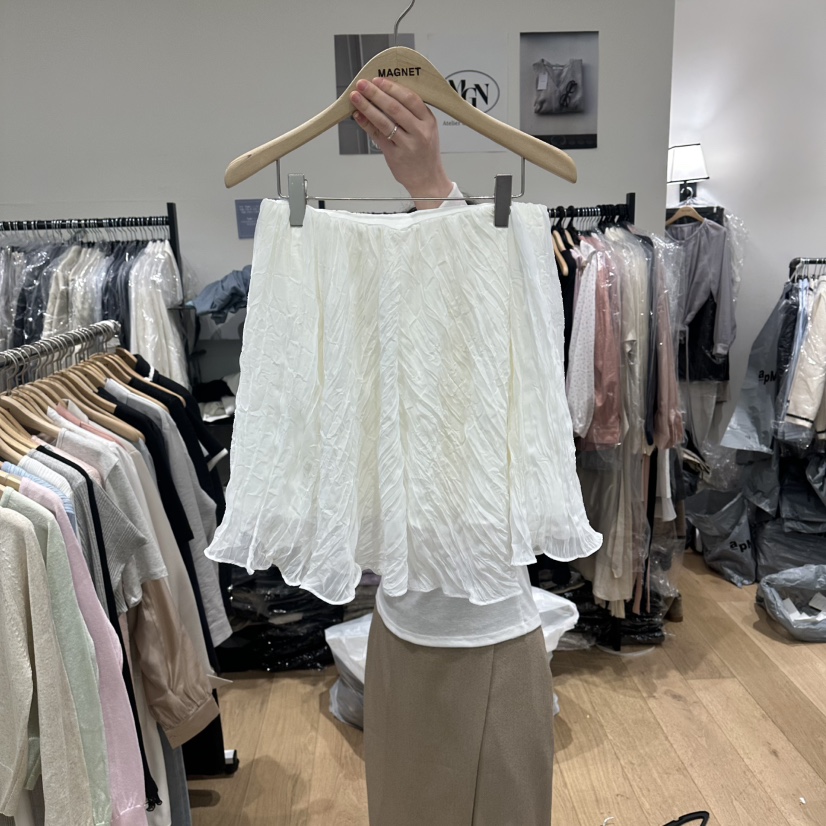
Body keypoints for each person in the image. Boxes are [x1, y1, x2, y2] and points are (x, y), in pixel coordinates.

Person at [349, 76, 555, 826]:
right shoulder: (364, 276)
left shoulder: (497, 256)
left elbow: (484, 333)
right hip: (399, 627)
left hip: (483, 641)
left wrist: (435, 187)